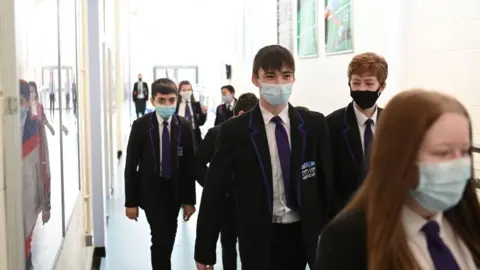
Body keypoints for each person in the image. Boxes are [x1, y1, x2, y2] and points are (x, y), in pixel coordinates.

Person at [195, 45, 333, 270]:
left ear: (293, 78)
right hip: (257, 236)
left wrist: (329, 235)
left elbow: (326, 186)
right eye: (270, 76)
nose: (279, 83)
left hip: (301, 235)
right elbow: (214, 193)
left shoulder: (313, 125)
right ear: (255, 79)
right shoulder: (234, 132)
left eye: (286, 75)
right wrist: (205, 249)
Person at [315, 90, 480, 270]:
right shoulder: (349, 239)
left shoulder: (468, 223)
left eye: (465, 152)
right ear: (400, 157)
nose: (457, 164)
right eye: (442, 153)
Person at [124, 78, 196, 270]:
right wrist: (130, 202)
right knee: (160, 237)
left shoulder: (184, 127)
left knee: (169, 235)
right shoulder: (140, 126)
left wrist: (189, 201)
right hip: (150, 192)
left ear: (177, 100)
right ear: (152, 101)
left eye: (171, 100)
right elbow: (131, 165)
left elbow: (189, 166)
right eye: (162, 100)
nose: (167, 105)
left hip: (174, 192)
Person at [194, 92, 259, 270]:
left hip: (254, 202)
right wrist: (213, 184)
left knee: (253, 246)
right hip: (227, 200)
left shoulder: (261, 134)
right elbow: (197, 162)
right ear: (240, 114)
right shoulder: (217, 133)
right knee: (228, 244)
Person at [326, 52, 388, 214]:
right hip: (345, 215)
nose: (362, 89)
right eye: (356, 83)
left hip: (386, 213)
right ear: (349, 84)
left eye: (369, 84)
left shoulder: (392, 122)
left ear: (382, 86)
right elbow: (328, 179)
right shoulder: (331, 124)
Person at [20, 80, 52, 270]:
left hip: (30, 196)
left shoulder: (35, 128)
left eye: (22, 100)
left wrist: (46, 204)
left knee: (26, 242)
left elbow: (45, 167)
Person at [175, 80, 208, 148]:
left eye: (189, 90)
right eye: (184, 90)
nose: (187, 92)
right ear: (179, 92)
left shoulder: (196, 105)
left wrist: (204, 114)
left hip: (194, 134)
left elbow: (201, 122)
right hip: (179, 134)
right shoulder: (176, 105)